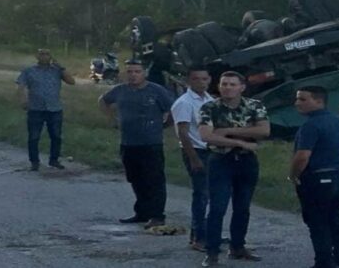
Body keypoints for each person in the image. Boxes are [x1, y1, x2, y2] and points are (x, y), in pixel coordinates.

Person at [198, 71, 270, 267]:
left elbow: (264, 130)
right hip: (221, 160)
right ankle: (212, 252)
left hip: (246, 161)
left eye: (232, 84)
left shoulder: (254, 105)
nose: (227, 88)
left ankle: (238, 246)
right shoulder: (210, 107)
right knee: (217, 207)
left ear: (242, 87)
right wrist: (242, 142)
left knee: (243, 207)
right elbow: (207, 135)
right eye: (224, 84)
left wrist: (229, 131)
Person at [98, 59, 173, 229]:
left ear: (144, 73)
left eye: (137, 72)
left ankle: (157, 215)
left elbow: (173, 109)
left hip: (151, 143)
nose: (133, 75)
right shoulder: (120, 90)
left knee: (154, 180)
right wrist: (112, 119)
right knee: (135, 179)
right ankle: (142, 212)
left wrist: (165, 125)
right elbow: (103, 101)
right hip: (129, 142)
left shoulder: (156, 91)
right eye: (129, 72)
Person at [291, 86, 339, 268]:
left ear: (319, 101)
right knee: (334, 218)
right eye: (297, 99)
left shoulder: (310, 125)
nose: (297, 103)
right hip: (335, 175)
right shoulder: (336, 121)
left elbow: (302, 155)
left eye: (303, 99)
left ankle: (324, 262)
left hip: (315, 177)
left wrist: (293, 175)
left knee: (317, 222)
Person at [170, 66, 214, 252]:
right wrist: (194, 159)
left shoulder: (210, 100)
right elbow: (183, 133)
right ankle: (198, 237)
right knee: (201, 194)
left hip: (212, 150)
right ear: (189, 81)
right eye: (196, 79)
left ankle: (204, 232)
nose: (201, 82)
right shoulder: (185, 103)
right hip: (196, 150)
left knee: (211, 194)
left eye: (204, 79)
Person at [16, 48, 75, 171]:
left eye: (47, 54)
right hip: (35, 108)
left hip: (54, 108)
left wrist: (62, 67)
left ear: (51, 56)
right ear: (37, 56)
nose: (44, 56)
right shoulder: (29, 71)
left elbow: (71, 82)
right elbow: (21, 86)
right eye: (41, 54)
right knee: (34, 136)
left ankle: (54, 160)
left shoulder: (57, 71)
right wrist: (23, 99)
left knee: (56, 136)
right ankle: (34, 162)